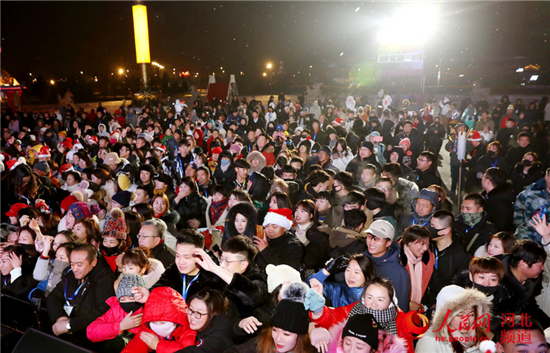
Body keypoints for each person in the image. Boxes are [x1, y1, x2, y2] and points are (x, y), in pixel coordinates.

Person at [46, 243, 115, 349]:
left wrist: (70, 325)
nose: (74, 269)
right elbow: (54, 296)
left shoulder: (105, 279)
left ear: (94, 262)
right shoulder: (69, 273)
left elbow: (102, 311)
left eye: (79, 265)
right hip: (66, 326)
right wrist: (61, 319)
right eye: (72, 263)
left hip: (89, 336)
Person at [226, 283, 312, 353]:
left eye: (286, 334)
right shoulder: (265, 340)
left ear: (300, 336)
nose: (278, 339)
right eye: (274, 330)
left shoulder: (314, 347)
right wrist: (241, 325)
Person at [415, 285, 491, 353]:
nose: (466, 321)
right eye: (460, 315)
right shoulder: (429, 342)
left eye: (471, 314)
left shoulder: (477, 336)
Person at [121, 287, 197, 353]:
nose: (158, 326)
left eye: (162, 322)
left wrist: (157, 345)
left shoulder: (189, 331)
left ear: (177, 319)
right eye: (154, 322)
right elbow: (137, 344)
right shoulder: (149, 327)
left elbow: (186, 350)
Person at [86, 274, 147, 352]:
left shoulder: (149, 310)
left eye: (131, 297)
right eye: (123, 299)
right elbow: (91, 332)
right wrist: (120, 326)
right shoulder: (115, 309)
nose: (127, 302)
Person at [423, 210, 471, 309]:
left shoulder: (461, 257)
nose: (429, 229)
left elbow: (458, 287)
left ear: (445, 230)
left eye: (433, 226)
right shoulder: (426, 249)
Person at [362, 220, 411, 312]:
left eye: (378, 238)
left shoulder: (398, 272)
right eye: (369, 236)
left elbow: (401, 307)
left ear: (388, 243)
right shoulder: (360, 262)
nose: (372, 242)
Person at [308, 253, 375, 307]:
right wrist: (327, 270)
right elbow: (308, 284)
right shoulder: (337, 289)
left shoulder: (375, 295)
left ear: (367, 277)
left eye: (356, 272)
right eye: (348, 270)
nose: (351, 276)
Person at [399, 225, 435, 312]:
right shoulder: (396, 259)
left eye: (428, 244)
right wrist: (407, 303)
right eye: (422, 244)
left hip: (419, 308)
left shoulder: (429, 258)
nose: (425, 248)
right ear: (409, 242)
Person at [291, 199, 331, 271]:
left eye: (302, 211)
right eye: (297, 210)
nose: (297, 214)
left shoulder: (319, 232)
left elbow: (316, 259)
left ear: (311, 215)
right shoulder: (289, 228)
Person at [513, 167, 550, 243]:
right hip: (526, 238)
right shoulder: (531, 191)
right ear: (546, 177)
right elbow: (518, 207)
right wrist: (520, 226)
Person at [479, 167, 515, 231]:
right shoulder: (485, 197)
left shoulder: (501, 202)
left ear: (488, 181)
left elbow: (499, 227)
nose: (482, 179)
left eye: (483, 177)